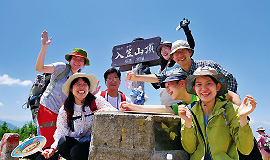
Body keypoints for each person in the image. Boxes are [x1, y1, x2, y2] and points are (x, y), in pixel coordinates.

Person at [179, 67, 255, 160]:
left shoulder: (230, 110)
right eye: (199, 84)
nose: (204, 88)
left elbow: (245, 150)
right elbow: (190, 149)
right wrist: (188, 123)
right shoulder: (189, 111)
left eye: (209, 83)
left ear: (217, 87)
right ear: (194, 88)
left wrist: (243, 118)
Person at [39, 73, 117, 160]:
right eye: (77, 84)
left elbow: (114, 110)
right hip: (75, 142)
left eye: (85, 84)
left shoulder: (96, 101)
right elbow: (60, 133)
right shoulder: (65, 109)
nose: (81, 87)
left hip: (92, 142)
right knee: (63, 142)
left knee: (76, 151)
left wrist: (103, 111)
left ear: (88, 88)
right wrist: (52, 149)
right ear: (71, 89)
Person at [35, 30, 91, 150]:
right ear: (70, 59)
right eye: (75, 58)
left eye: (81, 60)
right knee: (48, 143)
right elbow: (40, 68)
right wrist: (44, 47)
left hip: (62, 113)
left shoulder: (79, 79)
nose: (77, 61)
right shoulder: (61, 68)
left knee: (58, 143)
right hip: (48, 108)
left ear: (83, 64)